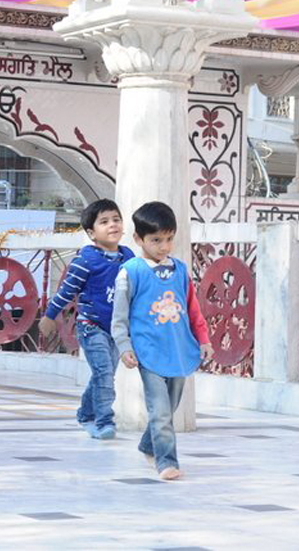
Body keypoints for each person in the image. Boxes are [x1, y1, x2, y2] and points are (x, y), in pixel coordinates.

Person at [111, 201, 213, 481]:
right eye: (156, 240)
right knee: (160, 409)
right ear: (138, 239)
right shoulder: (130, 272)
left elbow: (193, 310)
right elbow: (119, 316)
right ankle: (166, 461)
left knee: (170, 406)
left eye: (169, 239)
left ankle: (148, 445)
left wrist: (203, 339)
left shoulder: (180, 270)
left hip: (179, 349)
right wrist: (124, 346)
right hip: (148, 351)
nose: (164, 246)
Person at [38, 199, 135, 439]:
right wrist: (49, 316)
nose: (112, 225)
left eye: (116, 219)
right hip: (91, 327)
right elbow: (66, 291)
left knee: (104, 374)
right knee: (104, 374)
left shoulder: (129, 258)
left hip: (117, 330)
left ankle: (85, 414)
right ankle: (104, 422)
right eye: (104, 222)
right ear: (92, 233)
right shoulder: (85, 261)